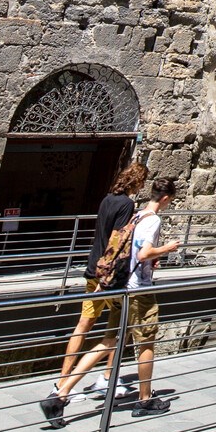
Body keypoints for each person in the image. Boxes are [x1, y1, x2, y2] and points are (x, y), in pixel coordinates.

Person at [42, 177, 180, 421]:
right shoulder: (153, 220)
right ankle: (145, 400)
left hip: (120, 286)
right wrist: (166, 249)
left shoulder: (136, 215)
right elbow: (143, 253)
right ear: (166, 198)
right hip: (138, 291)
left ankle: (60, 394)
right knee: (146, 343)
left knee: (110, 341)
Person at [52, 161, 146, 397]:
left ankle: (62, 380)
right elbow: (116, 241)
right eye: (142, 182)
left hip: (93, 267)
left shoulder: (106, 199)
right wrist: (109, 277)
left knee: (84, 324)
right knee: (119, 326)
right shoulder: (127, 204)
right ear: (137, 182)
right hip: (109, 274)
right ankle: (107, 377)